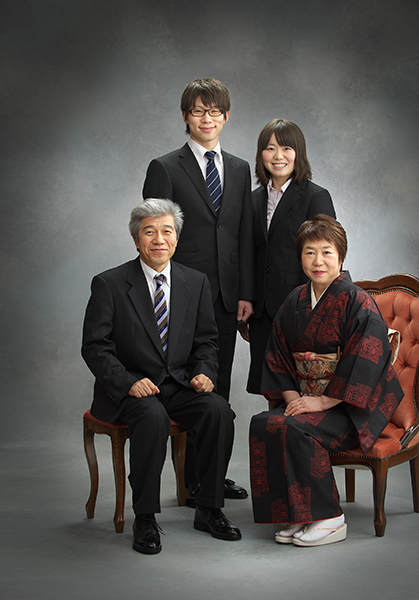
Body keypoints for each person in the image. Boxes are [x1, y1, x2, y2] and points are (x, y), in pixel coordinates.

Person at [82, 199, 242, 555]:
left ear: (177, 238)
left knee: (218, 411)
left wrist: (204, 372)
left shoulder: (195, 282)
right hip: (130, 389)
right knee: (152, 417)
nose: (159, 239)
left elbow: (207, 340)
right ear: (136, 239)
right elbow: (95, 347)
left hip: (179, 384)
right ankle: (145, 517)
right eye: (149, 232)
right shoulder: (109, 283)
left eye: (166, 231)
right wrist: (127, 382)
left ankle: (209, 508)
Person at [249, 215, 404, 547]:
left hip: (352, 408)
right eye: (309, 252)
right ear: (300, 257)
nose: (318, 261)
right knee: (264, 423)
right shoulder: (294, 301)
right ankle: (298, 513)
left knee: (295, 427)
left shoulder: (358, 302)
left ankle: (330, 518)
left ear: (340, 256)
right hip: (308, 400)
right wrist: (294, 400)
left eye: (326, 252)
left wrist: (321, 401)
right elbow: (277, 356)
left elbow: (364, 361)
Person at [142, 78, 253, 502]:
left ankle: (212, 477)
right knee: (184, 385)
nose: (207, 118)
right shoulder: (165, 167)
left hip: (226, 297)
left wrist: (245, 293)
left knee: (217, 389)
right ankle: (189, 482)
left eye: (214, 110)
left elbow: (243, 235)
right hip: (179, 298)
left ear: (226, 116)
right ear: (186, 116)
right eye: (198, 110)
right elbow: (155, 236)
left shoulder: (240, 169)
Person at [239, 119, 336, 394]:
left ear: (298, 153)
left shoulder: (316, 196)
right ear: (261, 154)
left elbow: (328, 255)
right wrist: (246, 296)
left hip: (300, 308)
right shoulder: (253, 199)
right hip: (261, 310)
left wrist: (317, 306)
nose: (278, 156)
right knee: (270, 387)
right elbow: (247, 251)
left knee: (301, 386)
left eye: (286, 148)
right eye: (270, 148)